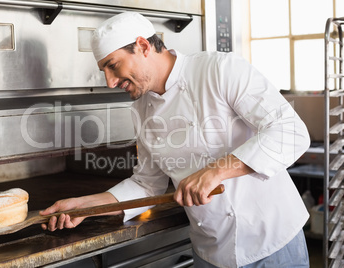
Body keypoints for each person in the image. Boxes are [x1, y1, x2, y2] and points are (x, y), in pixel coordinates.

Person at [40, 12, 311, 268]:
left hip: (273, 244)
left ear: (143, 46)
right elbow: (147, 184)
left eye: (113, 66)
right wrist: (86, 206)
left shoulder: (220, 69)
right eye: (104, 71)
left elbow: (290, 131)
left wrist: (215, 171)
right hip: (211, 252)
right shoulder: (142, 109)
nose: (110, 82)